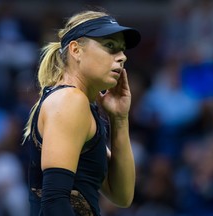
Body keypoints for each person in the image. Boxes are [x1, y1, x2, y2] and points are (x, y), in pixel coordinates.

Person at [22, 10, 141, 216]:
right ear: (76, 50)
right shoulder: (70, 101)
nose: (122, 57)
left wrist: (119, 118)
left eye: (122, 50)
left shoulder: (78, 104)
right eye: (110, 46)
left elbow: (122, 195)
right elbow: (55, 204)